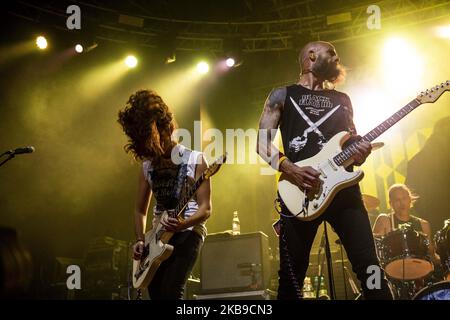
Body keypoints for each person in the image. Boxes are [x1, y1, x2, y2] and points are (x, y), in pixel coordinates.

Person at [256, 41, 393, 299]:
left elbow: (351, 142)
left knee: (369, 265)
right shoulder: (282, 95)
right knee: (291, 276)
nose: (336, 57)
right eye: (331, 53)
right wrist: (292, 169)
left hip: (345, 194)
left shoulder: (343, 99)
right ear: (311, 56)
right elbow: (261, 144)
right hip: (300, 193)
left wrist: (360, 153)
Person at [118, 89, 211, 300]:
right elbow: (139, 210)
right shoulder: (147, 166)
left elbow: (206, 208)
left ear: (166, 129)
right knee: (157, 294)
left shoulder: (195, 159)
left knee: (172, 292)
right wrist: (140, 240)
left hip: (189, 232)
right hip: (157, 238)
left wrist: (182, 225)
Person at [372, 183, 440, 264]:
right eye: (397, 200)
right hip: (393, 270)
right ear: (391, 203)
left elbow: (430, 255)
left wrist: (439, 257)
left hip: (419, 269)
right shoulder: (385, 220)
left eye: (404, 198)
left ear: (410, 199)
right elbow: (373, 250)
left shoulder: (423, 224)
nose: (401, 203)